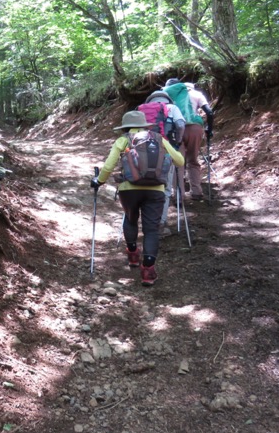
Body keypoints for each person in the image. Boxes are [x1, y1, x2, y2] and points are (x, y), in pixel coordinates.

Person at [91, 110, 185, 286]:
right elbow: (179, 161)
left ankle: (133, 254)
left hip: (129, 189)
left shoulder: (123, 140)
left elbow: (110, 164)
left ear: (125, 127)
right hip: (156, 190)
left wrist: (99, 181)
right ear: (144, 125)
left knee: (131, 219)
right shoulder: (158, 138)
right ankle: (148, 271)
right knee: (151, 230)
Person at [163, 79, 214, 201]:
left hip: (176, 130)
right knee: (193, 160)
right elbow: (210, 113)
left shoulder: (168, 94)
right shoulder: (196, 94)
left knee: (178, 162)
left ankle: (179, 195)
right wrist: (209, 129)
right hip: (195, 129)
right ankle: (196, 191)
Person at [142, 90, 185, 232]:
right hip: (166, 151)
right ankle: (160, 222)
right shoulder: (172, 108)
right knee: (165, 187)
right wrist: (177, 141)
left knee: (143, 183)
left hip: (143, 151)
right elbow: (180, 125)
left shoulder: (142, 108)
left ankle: (145, 220)